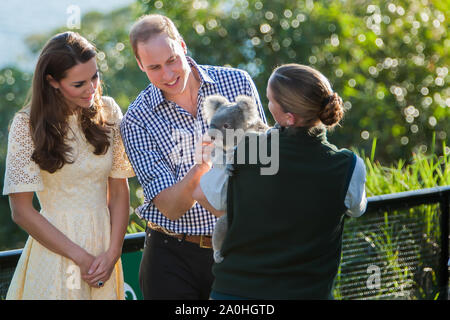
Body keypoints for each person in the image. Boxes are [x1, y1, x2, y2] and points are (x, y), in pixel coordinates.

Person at [120, 14, 266, 299]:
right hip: (172, 257)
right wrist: (202, 165)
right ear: (140, 66)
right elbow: (171, 208)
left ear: (183, 47)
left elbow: (262, 166)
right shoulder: (135, 120)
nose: (167, 74)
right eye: (154, 67)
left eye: (172, 60)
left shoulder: (238, 83)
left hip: (237, 247)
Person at [193, 63, 367, 299]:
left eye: (270, 101)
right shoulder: (349, 166)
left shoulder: (246, 148)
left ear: (289, 116)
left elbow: (212, 195)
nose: (267, 106)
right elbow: (357, 209)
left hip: (237, 292)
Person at [2, 31, 135, 300]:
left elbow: (119, 190)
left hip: (105, 254)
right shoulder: (26, 125)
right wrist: (80, 257)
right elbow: (21, 211)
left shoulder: (108, 111)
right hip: (56, 253)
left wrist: (113, 252)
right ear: (52, 82)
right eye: (79, 84)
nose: (92, 88)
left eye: (95, 77)